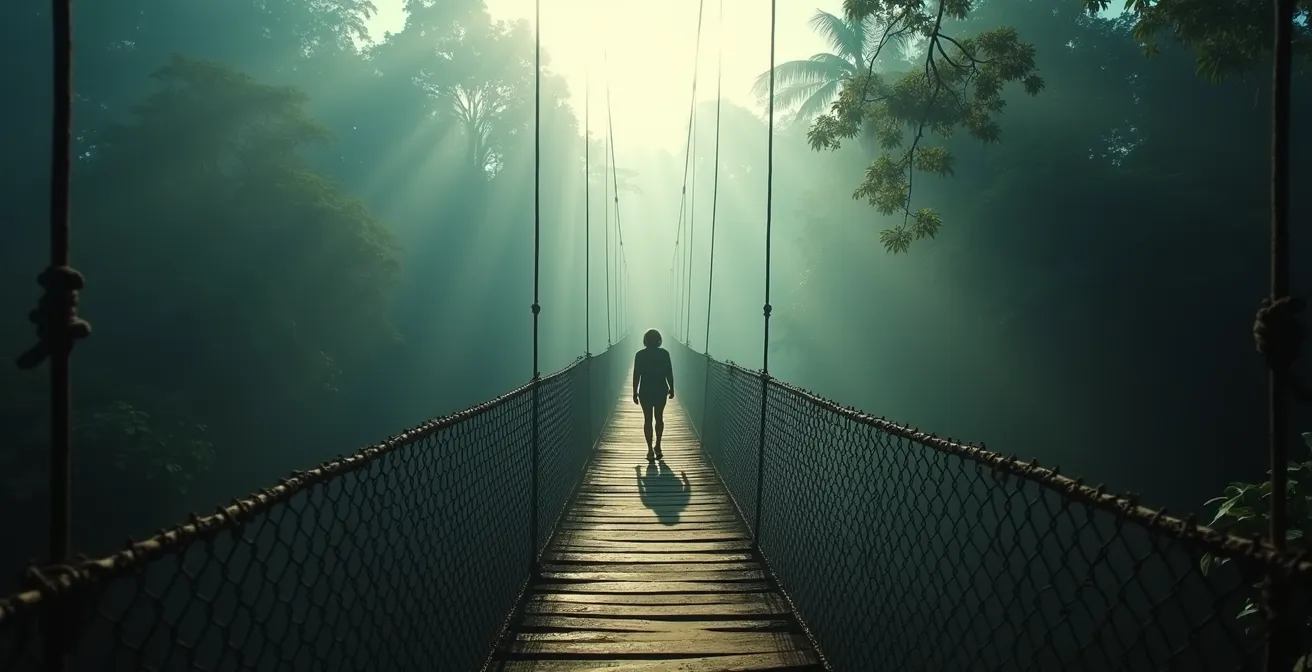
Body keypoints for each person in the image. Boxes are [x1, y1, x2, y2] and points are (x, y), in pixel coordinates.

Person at [632, 328, 675, 461]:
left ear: (645, 340)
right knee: (659, 418)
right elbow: (669, 372)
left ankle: (650, 450)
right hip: (661, 390)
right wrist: (672, 388)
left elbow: (636, 375)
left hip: (645, 390)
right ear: (658, 340)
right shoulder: (664, 354)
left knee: (648, 419)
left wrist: (634, 392)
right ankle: (658, 446)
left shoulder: (639, 355)